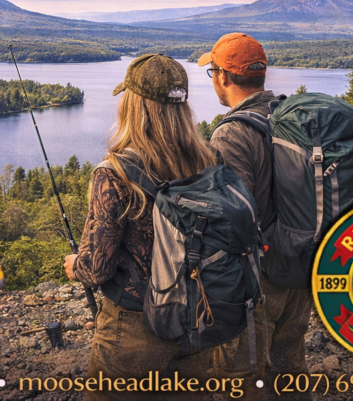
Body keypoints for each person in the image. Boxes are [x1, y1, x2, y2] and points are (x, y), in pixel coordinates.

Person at [64, 54, 218, 401]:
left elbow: (96, 269)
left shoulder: (116, 173)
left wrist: (76, 266)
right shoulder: (209, 162)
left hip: (135, 325)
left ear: (134, 105)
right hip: (198, 317)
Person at [199, 33, 311, 400]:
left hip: (257, 281)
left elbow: (231, 219)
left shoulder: (232, 134)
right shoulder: (289, 116)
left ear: (223, 77)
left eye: (212, 71)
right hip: (299, 263)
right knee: (289, 365)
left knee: (241, 378)